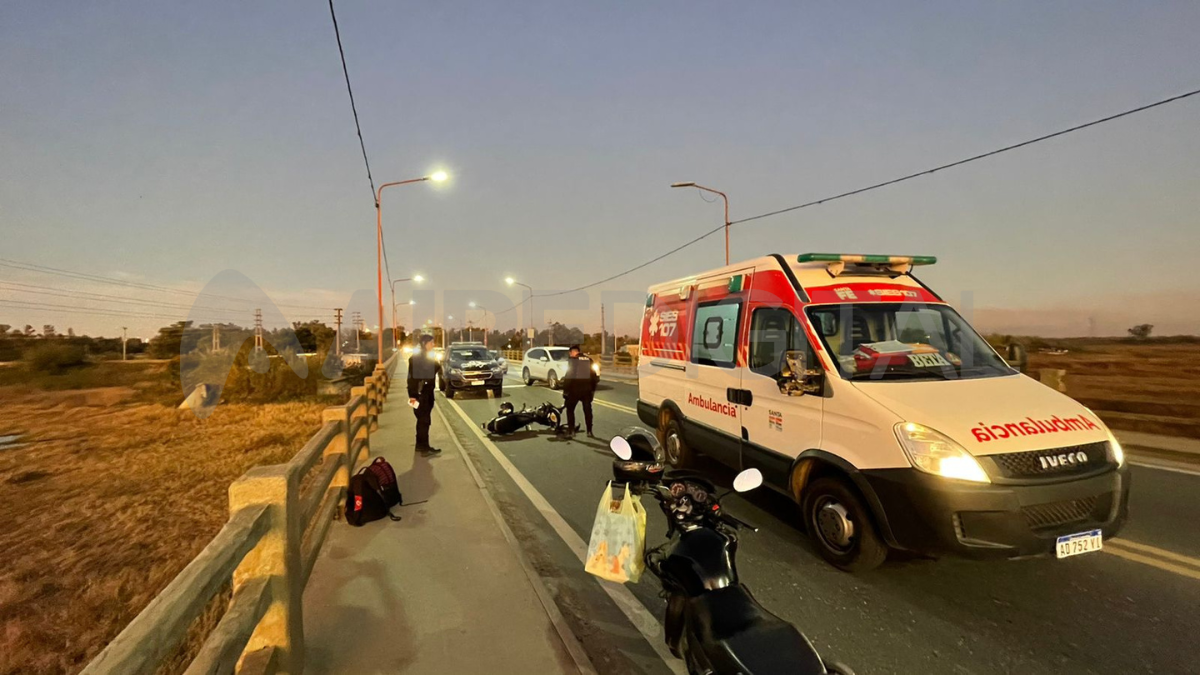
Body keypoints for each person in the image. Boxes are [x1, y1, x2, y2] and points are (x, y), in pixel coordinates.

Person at [407, 334, 442, 454]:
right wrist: (413, 395)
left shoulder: (418, 357)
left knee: (422, 420)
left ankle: (421, 445)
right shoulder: (421, 358)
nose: (433, 345)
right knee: (424, 420)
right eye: (431, 343)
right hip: (422, 394)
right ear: (424, 344)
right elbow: (432, 370)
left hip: (419, 393)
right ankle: (423, 447)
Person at [561, 344, 599, 438]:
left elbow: (570, 375)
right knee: (587, 411)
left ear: (572, 352)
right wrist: (592, 390)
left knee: (570, 409)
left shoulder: (573, 360)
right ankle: (589, 431)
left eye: (570, 353)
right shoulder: (589, 360)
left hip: (574, 390)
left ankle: (571, 431)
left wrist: (565, 391)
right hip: (587, 390)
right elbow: (594, 376)